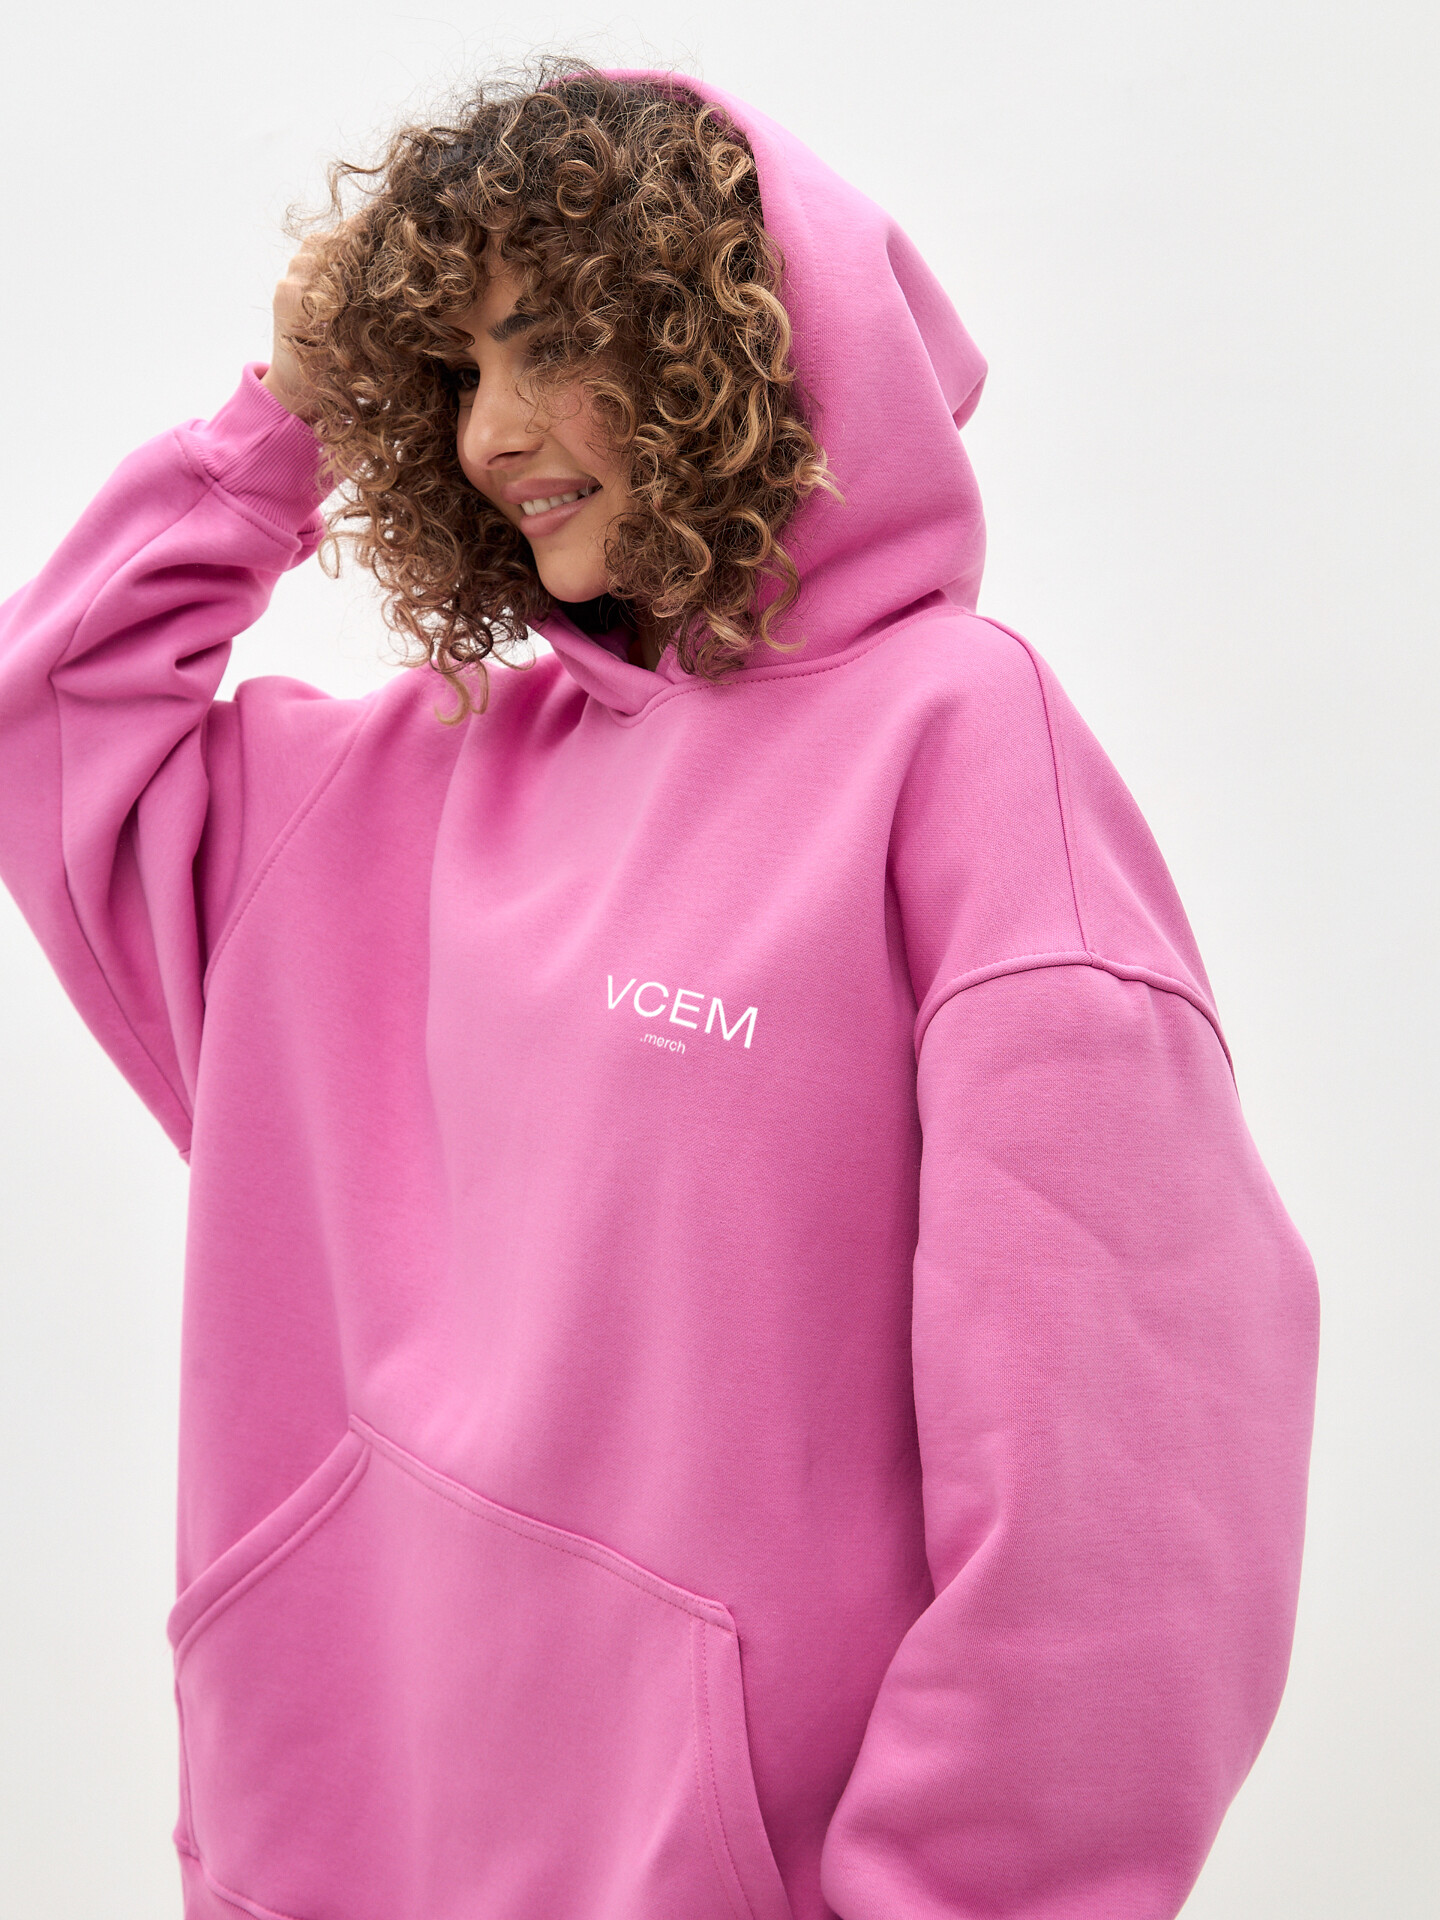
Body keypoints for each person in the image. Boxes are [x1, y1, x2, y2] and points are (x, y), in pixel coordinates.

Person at [0, 60, 1319, 1920]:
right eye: (454, 369)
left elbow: (1124, 1494)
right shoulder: (391, 785)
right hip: (332, 1856)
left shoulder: (952, 749)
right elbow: (58, 728)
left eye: (551, 343)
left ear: (737, 341)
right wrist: (279, 417)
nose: (490, 433)